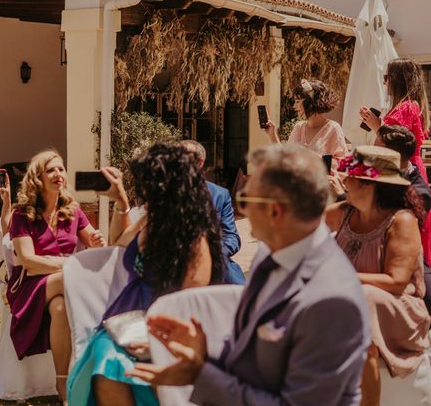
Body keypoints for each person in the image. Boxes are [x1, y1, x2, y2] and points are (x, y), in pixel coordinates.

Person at [127, 144, 370, 406]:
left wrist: (200, 374)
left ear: (275, 211)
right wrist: (203, 354)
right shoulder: (271, 254)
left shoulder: (332, 301)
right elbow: (250, 353)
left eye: (244, 201)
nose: (240, 211)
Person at [68, 142, 224, 406]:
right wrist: (121, 201)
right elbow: (117, 241)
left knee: (109, 359)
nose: (144, 189)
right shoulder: (150, 218)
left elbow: (191, 303)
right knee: (105, 352)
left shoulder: (194, 239)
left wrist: (156, 342)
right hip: (131, 318)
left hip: (168, 326)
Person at [327, 145, 431, 405]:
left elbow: (396, 282)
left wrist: (343, 278)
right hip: (348, 302)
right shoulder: (344, 212)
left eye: (350, 177)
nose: (344, 182)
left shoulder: (401, 221)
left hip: (393, 308)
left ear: (368, 185)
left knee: (363, 298)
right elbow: (301, 226)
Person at [5, 149, 105, 402]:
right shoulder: (21, 214)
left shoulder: (73, 210)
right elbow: (28, 261)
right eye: (51, 170)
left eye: (61, 169)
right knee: (74, 279)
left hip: (61, 285)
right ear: (37, 178)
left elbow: (95, 247)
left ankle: (64, 383)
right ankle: (101, 330)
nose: (58, 174)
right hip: (28, 285)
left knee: (60, 308)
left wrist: (97, 241)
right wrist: (70, 264)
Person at [180, 139, 245, 284]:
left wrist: (210, 254)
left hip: (215, 258)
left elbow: (232, 237)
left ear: (199, 162)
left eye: (184, 158)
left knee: (239, 286)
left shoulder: (220, 195)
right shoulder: (164, 191)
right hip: (176, 260)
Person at [360, 58, 430, 182]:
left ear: (399, 79)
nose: (384, 83)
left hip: (404, 171)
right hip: (402, 168)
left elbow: (398, 143)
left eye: (386, 77)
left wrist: (377, 126)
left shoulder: (407, 107)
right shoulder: (408, 106)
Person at [265, 78, 348, 168]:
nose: (294, 106)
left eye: (297, 102)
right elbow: (285, 158)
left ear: (310, 103)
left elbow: (342, 164)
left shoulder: (333, 128)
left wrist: (311, 157)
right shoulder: (299, 127)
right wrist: (272, 134)